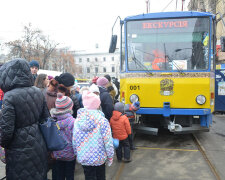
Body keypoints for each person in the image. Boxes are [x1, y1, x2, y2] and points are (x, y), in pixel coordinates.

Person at [0, 58, 49, 179]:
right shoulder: (38, 92)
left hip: (18, 149)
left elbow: (6, 131)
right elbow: (46, 118)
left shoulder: (9, 96)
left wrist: (2, 143)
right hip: (39, 144)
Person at [73, 91, 114, 180]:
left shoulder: (77, 121)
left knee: (88, 176)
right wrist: (110, 156)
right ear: (98, 105)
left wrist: (77, 153)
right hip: (99, 157)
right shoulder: (102, 121)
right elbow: (108, 141)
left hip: (84, 157)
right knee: (100, 177)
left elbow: (74, 139)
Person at [50, 93, 76, 180]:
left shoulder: (51, 121)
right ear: (70, 107)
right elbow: (75, 139)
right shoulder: (73, 122)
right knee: (70, 175)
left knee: (58, 175)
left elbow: (50, 138)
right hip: (70, 154)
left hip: (56, 154)